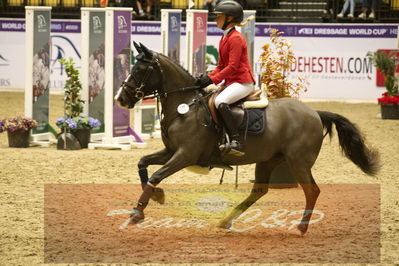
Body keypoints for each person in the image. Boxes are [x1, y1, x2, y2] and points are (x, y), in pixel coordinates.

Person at [195, 0, 255, 156]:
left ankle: (236, 141)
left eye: (219, 16)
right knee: (209, 98)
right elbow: (221, 66)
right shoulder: (225, 38)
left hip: (243, 82)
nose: (216, 19)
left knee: (220, 101)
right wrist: (208, 78)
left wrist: (213, 80)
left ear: (229, 18)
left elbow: (233, 67)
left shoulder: (236, 38)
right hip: (232, 82)